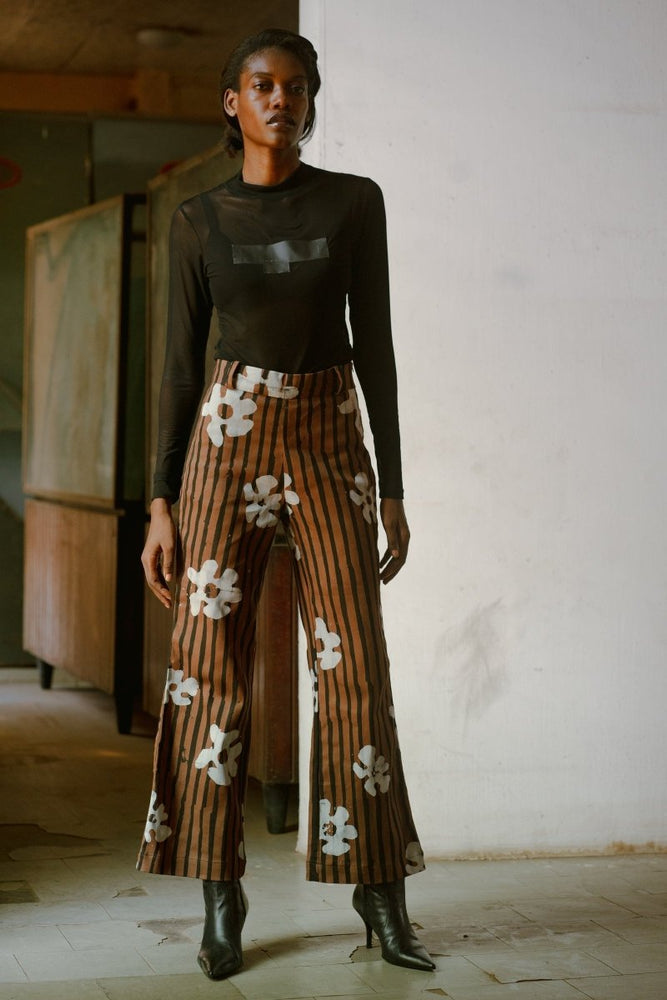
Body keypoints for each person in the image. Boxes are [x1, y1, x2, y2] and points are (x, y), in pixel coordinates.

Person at [137, 27, 434, 981]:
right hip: (224, 439)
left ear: (312, 101)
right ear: (233, 103)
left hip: (326, 434)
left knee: (354, 665)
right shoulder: (195, 220)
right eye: (262, 86)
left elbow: (376, 343)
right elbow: (178, 369)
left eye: (297, 87)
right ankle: (219, 897)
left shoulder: (355, 204)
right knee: (206, 666)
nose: (282, 99)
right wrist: (158, 501)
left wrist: (389, 482)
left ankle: (378, 894)